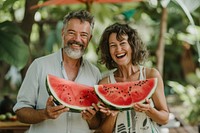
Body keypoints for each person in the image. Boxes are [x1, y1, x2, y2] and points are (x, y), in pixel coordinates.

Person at [13, 10, 102, 133]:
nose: (77, 39)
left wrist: (91, 118)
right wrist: (44, 114)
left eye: (83, 35)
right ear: (62, 33)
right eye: (71, 33)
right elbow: (20, 112)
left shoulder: (95, 73)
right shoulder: (39, 66)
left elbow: (96, 124)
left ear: (89, 38)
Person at [96, 23, 169, 133]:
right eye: (113, 45)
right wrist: (113, 114)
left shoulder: (151, 75)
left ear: (132, 46)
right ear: (108, 51)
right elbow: (104, 131)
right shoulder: (105, 83)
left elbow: (165, 118)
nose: (118, 49)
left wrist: (149, 110)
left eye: (123, 43)